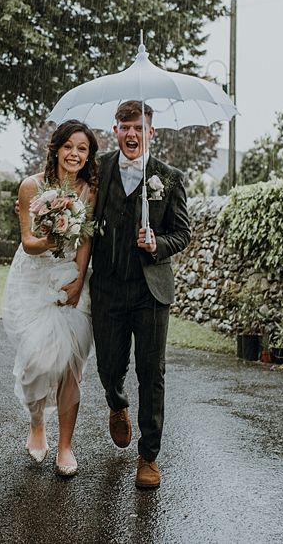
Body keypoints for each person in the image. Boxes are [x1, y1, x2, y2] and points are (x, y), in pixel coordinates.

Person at [90, 100, 190, 489]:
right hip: (108, 288)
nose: (132, 134)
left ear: (152, 132)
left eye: (139, 127)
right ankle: (117, 403)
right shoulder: (99, 171)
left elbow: (182, 233)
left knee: (152, 373)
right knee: (108, 366)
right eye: (125, 126)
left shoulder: (169, 177)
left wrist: (157, 243)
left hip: (151, 291)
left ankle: (148, 456)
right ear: (115, 130)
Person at [2, 120, 98, 477]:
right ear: (56, 149)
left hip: (73, 278)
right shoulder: (31, 186)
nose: (75, 154)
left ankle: (65, 446)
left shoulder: (91, 189)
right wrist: (56, 236)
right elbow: (28, 243)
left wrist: (78, 280)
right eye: (69, 147)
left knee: (72, 364)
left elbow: (86, 240)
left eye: (82, 149)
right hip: (34, 278)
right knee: (37, 363)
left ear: (88, 156)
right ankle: (37, 422)